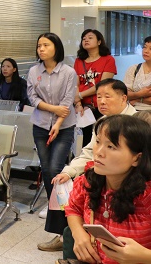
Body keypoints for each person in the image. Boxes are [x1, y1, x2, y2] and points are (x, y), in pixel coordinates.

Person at [53, 79, 137, 262]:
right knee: (62, 183)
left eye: (107, 96)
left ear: (124, 98)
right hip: (99, 180)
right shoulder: (103, 122)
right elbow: (89, 153)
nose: (102, 101)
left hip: (124, 187)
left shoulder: (138, 124)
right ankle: (62, 235)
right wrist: (69, 171)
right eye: (99, 97)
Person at [64, 115, 151, 264]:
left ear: (136, 158)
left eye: (111, 147)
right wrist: (78, 233)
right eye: (98, 142)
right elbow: (73, 208)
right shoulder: (90, 181)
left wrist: (144, 256)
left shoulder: (146, 196)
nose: (98, 152)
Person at [27, 32, 77, 252]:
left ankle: (62, 217)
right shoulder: (33, 71)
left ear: (56, 47)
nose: (41, 49)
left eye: (46, 45)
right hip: (40, 126)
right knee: (47, 171)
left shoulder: (68, 72)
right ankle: (56, 209)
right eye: (39, 45)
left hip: (64, 127)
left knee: (55, 169)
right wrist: (53, 109)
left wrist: (57, 122)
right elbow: (32, 97)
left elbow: (67, 101)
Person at [73, 29, 116, 146]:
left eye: (90, 38)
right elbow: (75, 84)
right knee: (85, 140)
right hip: (83, 107)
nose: (86, 40)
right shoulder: (78, 61)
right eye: (83, 38)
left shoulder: (108, 59)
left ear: (99, 42)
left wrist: (80, 95)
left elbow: (103, 84)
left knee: (102, 136)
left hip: (101, 105)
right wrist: (78, 104)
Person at [124, 35, 151, 111]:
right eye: (144, 47)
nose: (146, 51)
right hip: (133, 111)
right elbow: (124, 93)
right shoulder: (134, 68)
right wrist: (140, 94)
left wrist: (137, 99)